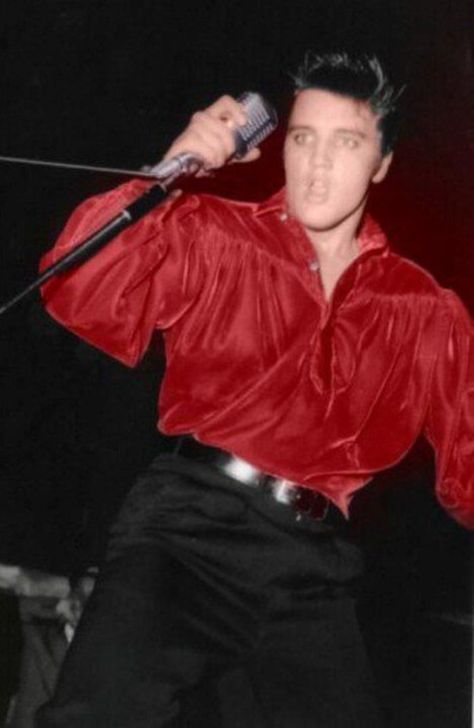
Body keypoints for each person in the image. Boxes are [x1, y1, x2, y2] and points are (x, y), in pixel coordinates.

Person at [35, 52, 473, 727]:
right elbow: (77, 289)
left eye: (346, 142)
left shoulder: (424, 309)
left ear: (382, 163)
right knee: (95, 713)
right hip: (187, 531)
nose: (317, 164)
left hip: (313, 564)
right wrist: (171, 169)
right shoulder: (215, 235)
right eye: (302, 138)